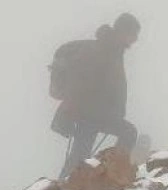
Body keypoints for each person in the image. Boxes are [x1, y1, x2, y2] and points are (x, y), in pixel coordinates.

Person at [51, 13, 141, 180]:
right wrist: (70, 112)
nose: (135, 39)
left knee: (80, 156)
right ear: (123, 31)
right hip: (89, 113)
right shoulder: (100, 50)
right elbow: (79, 82)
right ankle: (112, 174)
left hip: (96, 113)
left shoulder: (113, 50)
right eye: (134, 34)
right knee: (127, 133)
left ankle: (66, 184)